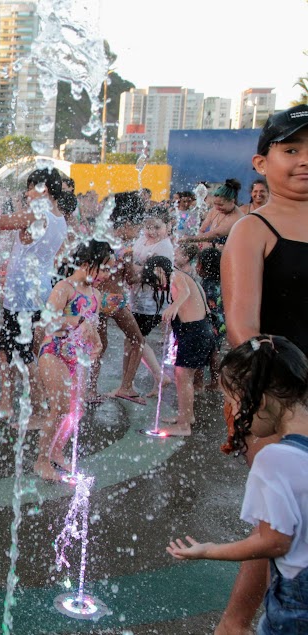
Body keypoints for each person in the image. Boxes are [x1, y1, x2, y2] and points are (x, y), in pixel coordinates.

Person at [219, 105, 308, 634]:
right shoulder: (253, 230)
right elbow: (243, 333)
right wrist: (273, 406)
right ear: (261, 162)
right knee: (277, 523)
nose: (304, 161)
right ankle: (235, 623)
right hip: (281, 401)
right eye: (291, 150)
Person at [168, 335, 308, 634]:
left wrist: (209, 550)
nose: (232, 412)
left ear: (260, 401)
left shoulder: (275, 459)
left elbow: (274, 542)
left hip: (296, 601)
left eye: (233, 402)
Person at [0, 168, 68, 422]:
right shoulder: (60, 219)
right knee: (7, 349)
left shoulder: (38, 214)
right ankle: (7, 404)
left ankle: (39, 411)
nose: (27, 193)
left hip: (25, 296)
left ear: (44, 189)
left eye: (31, 187)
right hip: (32, 292)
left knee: (25, 355)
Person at [34, 240, 109, 481]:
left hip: (76, 356)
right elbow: (47, 322)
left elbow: (92, 326)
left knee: (76, 411)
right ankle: (41, 461)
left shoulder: (96, 294)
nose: (107, 274)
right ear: (87, 264)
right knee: (59, 408)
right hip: (54, 351)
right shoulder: (64, 288)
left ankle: (56, 450)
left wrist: (97, 343)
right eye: (104, 268)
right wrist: (77, 321)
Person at [91, 192, 146, 405]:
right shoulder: (126, 248)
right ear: (127, 223)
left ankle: (90, 390)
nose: (138, 231)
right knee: (137, 340)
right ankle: (126, 387)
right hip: (114, 300)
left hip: (97, 298)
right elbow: (130, 278)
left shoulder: (101, 239)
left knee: (99, 344)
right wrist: (146, 272)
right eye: (137, 226)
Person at [156, 246, 214, 436]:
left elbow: (185, 293)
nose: (157, 285)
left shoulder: (175, 275)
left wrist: (174, 306)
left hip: (195, 332)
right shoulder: (186, 277)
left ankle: (183, 426)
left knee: (183, 376)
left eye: (156, 278)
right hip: (202, 330)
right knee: (184, 376)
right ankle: (187, 416)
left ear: (160, 270)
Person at [130, 205, 174, 390]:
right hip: (138, 298)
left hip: (151, 303)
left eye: (157, 227)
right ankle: (154, 376)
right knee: (134, 338)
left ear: (168, 226)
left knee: (136, 338)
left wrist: (134, 269)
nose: (152, 231)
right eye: (148, 227)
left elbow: (158, 276)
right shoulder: (142, 239)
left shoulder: (164, 247)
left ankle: (156, 375)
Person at [183, 178, 244, 250]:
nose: (217, 208)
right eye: (215, 204)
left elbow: (216, 234)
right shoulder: (215, 209)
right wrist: (203, 242)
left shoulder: (237, 218)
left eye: (221, 205)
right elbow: (202, 229)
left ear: (232, 201)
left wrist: (190, 239)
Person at [197, 247, 225, 391]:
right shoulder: (222, 281)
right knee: (215, 352)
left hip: (208, 322)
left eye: (199, 263)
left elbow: (202, 304)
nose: (197, 266)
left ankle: (198, 383)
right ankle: (216, 382)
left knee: (200, 352)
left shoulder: (206, 284)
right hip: (221, 322)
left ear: (205, 266)